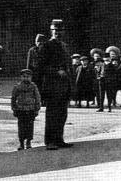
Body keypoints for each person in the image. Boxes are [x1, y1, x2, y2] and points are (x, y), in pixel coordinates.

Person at [37, 19, 73, 150]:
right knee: (52, 113)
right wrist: (57, 71)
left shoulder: (65, 46)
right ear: (51, 31)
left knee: (62, 113)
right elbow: (40, 67)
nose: (58, 33)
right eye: (55, 31)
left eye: (60, 31)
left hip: (64, 85)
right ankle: (50, 141)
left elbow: (68, 65)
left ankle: (59, 139)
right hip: (52, 84)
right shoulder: (46, 46)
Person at [11, 68, 41, 150]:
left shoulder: (33, 87)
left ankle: (28, 142)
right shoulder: (17, 87)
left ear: (31, 77)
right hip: (21, 109)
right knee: (21, 126)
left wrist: (37, 109)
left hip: (30, 109)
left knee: (30, 126)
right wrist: (14, 109)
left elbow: (37, 98)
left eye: (28, 77)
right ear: (21, 77)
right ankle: (21, 143)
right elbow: (13, 98)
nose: (26, 78)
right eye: (24, 76)